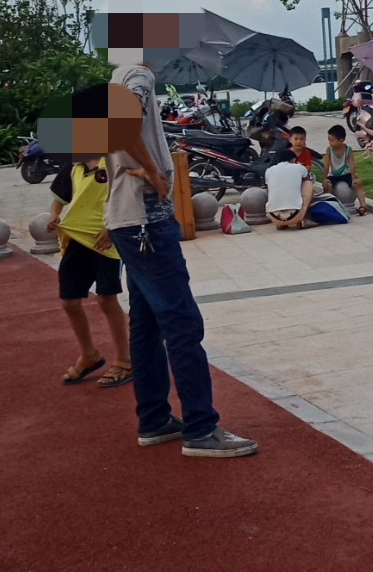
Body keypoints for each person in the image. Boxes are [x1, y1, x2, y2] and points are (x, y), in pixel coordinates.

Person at [102, 60, 258, 458]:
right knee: (182, 323)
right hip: (147, 221)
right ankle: (201, 428)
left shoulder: (115, 78)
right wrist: (153, 170)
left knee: (146, 324)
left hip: (127, 219)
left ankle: (154, 419)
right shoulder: (139, 74)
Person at [49, 154, 132, 388]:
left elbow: (124, 197)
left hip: (106, 241)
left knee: (107, 299)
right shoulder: (73, 167)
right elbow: (59, 197)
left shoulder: (113, 162)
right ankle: (89, 355)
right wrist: (54, 215)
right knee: (69, 301)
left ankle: (124, 360)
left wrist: (111, 227)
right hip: (77, 239)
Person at [322, 125, 370, 215]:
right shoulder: (329, 150)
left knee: (358, 184)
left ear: (341, 140)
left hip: (346, 174)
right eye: (329, 140)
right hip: (334, 176)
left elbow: (352, 164)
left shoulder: (348, 150)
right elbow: (326, 164)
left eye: (332, 140)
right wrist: (325, 178)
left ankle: (363, 206)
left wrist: (353, 178)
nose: (330, 143)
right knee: (327, 187)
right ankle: (330, 207)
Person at [264, 155, 316, 230]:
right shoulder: (299, 167)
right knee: (308, 183)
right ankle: (304, 220)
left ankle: (280, 224)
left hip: (273, 217)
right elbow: (307, 179)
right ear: (294, 160)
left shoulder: (269, 170)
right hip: (295, 216)